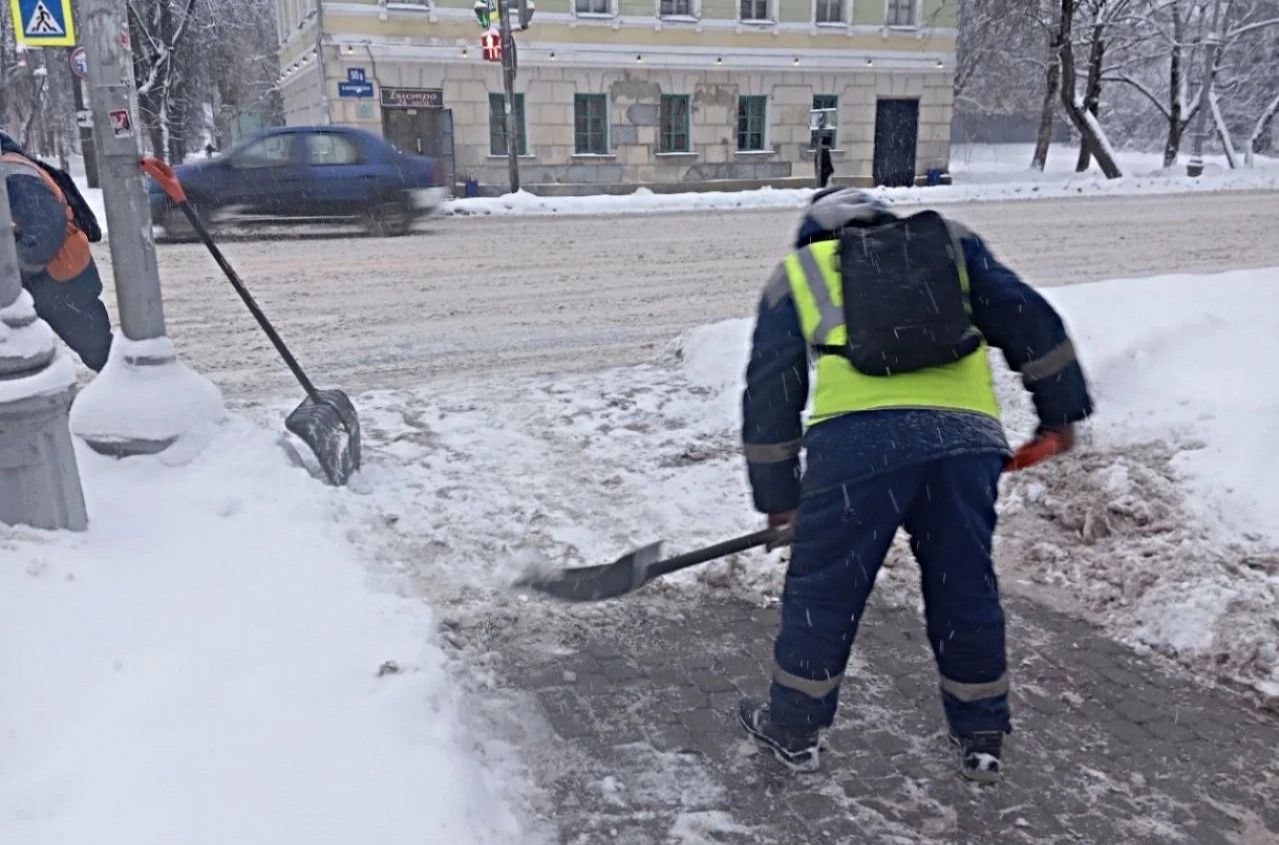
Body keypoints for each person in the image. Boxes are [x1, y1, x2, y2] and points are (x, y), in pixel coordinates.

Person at [737, 187, 1092, 782]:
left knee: (825, 592)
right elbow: (1030, 318)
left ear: (813, 230)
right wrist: (1061, 413)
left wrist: (779, 500)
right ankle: (981, 736)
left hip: (857, 449)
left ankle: (795, 731)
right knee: (964, 586)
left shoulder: (799, 272)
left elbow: (771, 394)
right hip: (964, 443)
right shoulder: (951, 245)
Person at [1, 131, 112, 371]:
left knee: (99, 352)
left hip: (60, 279)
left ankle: (139, 394)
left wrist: (11, 269)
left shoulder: (13, 173)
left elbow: (45, 233)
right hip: (48, 279)